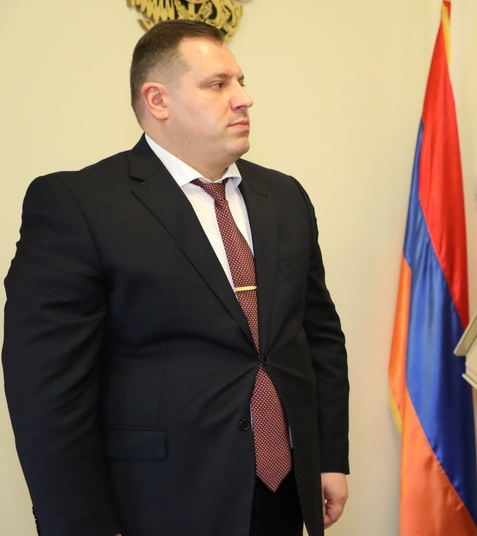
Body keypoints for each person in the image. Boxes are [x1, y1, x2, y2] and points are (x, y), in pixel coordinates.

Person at [2, 20, 349, 536]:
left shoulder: (286, 197)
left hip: (281, 494)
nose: (244, 98)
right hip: (156, 503)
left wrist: (328, 456)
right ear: (158, 100)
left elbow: (317, 337)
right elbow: (46, 390)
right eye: (218, 84)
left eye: (241, 81)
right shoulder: (79, 205)